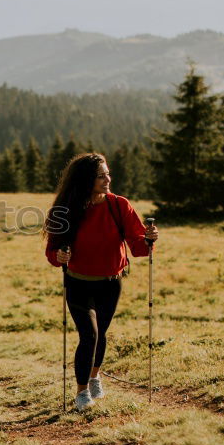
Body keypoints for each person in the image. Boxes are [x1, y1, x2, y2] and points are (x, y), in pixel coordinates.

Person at [43, 152, 159, 411]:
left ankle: (95, 376)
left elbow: (138, 247)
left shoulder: (119, 205)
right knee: (89, 335)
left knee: (101, 334)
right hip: (78, 283)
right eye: (100, 175)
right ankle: (82, 392)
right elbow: (52, 253)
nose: (108, 178)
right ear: (86, 180)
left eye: (107, 173)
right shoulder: (67, 210)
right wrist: (60, 255)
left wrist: (149, 239)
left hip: (111, 283)